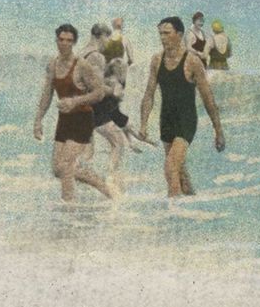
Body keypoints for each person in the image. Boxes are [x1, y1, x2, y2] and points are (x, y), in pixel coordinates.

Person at [140, 16, 226, 197]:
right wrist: (143, 124)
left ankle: (174, 212)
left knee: (171, 167)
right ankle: (191, 207)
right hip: (166, 120)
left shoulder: (192, 61)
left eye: (167, 33)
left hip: (186, 120)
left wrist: (218, 131)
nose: (162, 38)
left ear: (179, 35)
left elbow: (208, 98)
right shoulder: (157, 60)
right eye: (160, 34)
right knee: (180, 174)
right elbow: (149, 94)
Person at [33, 24, 114, 202]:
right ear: (56, 40)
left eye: (69, 41)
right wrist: (38, 120)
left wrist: (74, 101)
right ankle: (103, 185)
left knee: (66, 165)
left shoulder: (82, 65)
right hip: (64, 121)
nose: (64, 44)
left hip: (82, 119)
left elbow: (99, 92)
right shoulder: (53, 65)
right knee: (58, 169)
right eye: (61, 40)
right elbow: (47, 94)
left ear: (74, 43)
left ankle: (68, 209)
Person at [80, 23, 134, 194]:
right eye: (107, 39)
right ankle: (110, 183)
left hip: (78, 107)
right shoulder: (96, 56)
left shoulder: (82, 53)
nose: (107, 44)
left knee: (87, 153)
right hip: (87, 108)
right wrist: (114, 91)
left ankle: (81, 196)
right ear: (101, 35)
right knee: (116, 143)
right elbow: (96, 88)